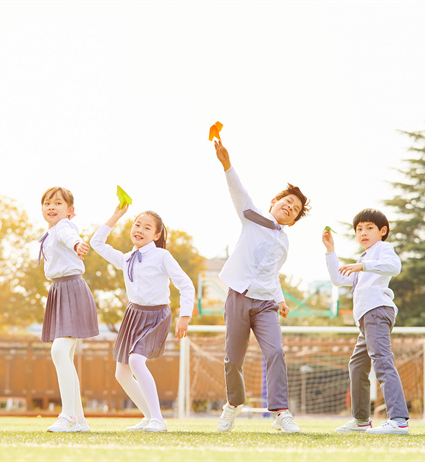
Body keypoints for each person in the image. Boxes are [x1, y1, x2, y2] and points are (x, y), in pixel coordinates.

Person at [213, 139, 309, 434]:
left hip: (266, 303)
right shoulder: (253, 217)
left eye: (294, 210)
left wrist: (280, 300)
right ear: (273, 203)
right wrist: (227, 164)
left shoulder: (284, 241)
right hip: (239, 297)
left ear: (292, 221)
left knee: (276, 352)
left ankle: (281, 413)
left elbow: (273, 274)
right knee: (233, 359)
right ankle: (233, 405)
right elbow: (238, 193)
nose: (289, 208)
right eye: (286, 203)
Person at [90, 205, 194, 432]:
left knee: (136, 361)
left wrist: (184, 316)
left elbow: (185, 285)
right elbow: (96, 244)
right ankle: (149, 417)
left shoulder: (162, 256)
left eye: (147, 228)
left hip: (157, 315)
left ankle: (158, 419)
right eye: (137, 225)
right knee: (121, 372)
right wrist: (116, 214)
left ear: (156, 235)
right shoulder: (126, 258)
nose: (140, 230)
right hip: (132, 315)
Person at [321, 208, 410, 435]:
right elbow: (338, 278)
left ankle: (398, 420)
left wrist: (363, 266)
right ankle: (361, 420)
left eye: (369, 228)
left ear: (382, 231)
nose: (363, 232)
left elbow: (395, 267)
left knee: (382, 360)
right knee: (357, 365)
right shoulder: (364, 258)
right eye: (359, 229)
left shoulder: (382, 249)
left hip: (377, 312)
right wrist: (330, 251)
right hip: (365, 319)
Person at [38, 186, 99, 433]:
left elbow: (69, 237)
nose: (51, 207)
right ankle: (79, 420)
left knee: (59, 351)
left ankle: (68, 416)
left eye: (57, 203)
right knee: (65, 355)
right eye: (47, 203)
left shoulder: (64, 227)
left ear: (70, 211)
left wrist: (77, 245)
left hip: (71, 289)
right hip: (59, 290)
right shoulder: (51, 231)